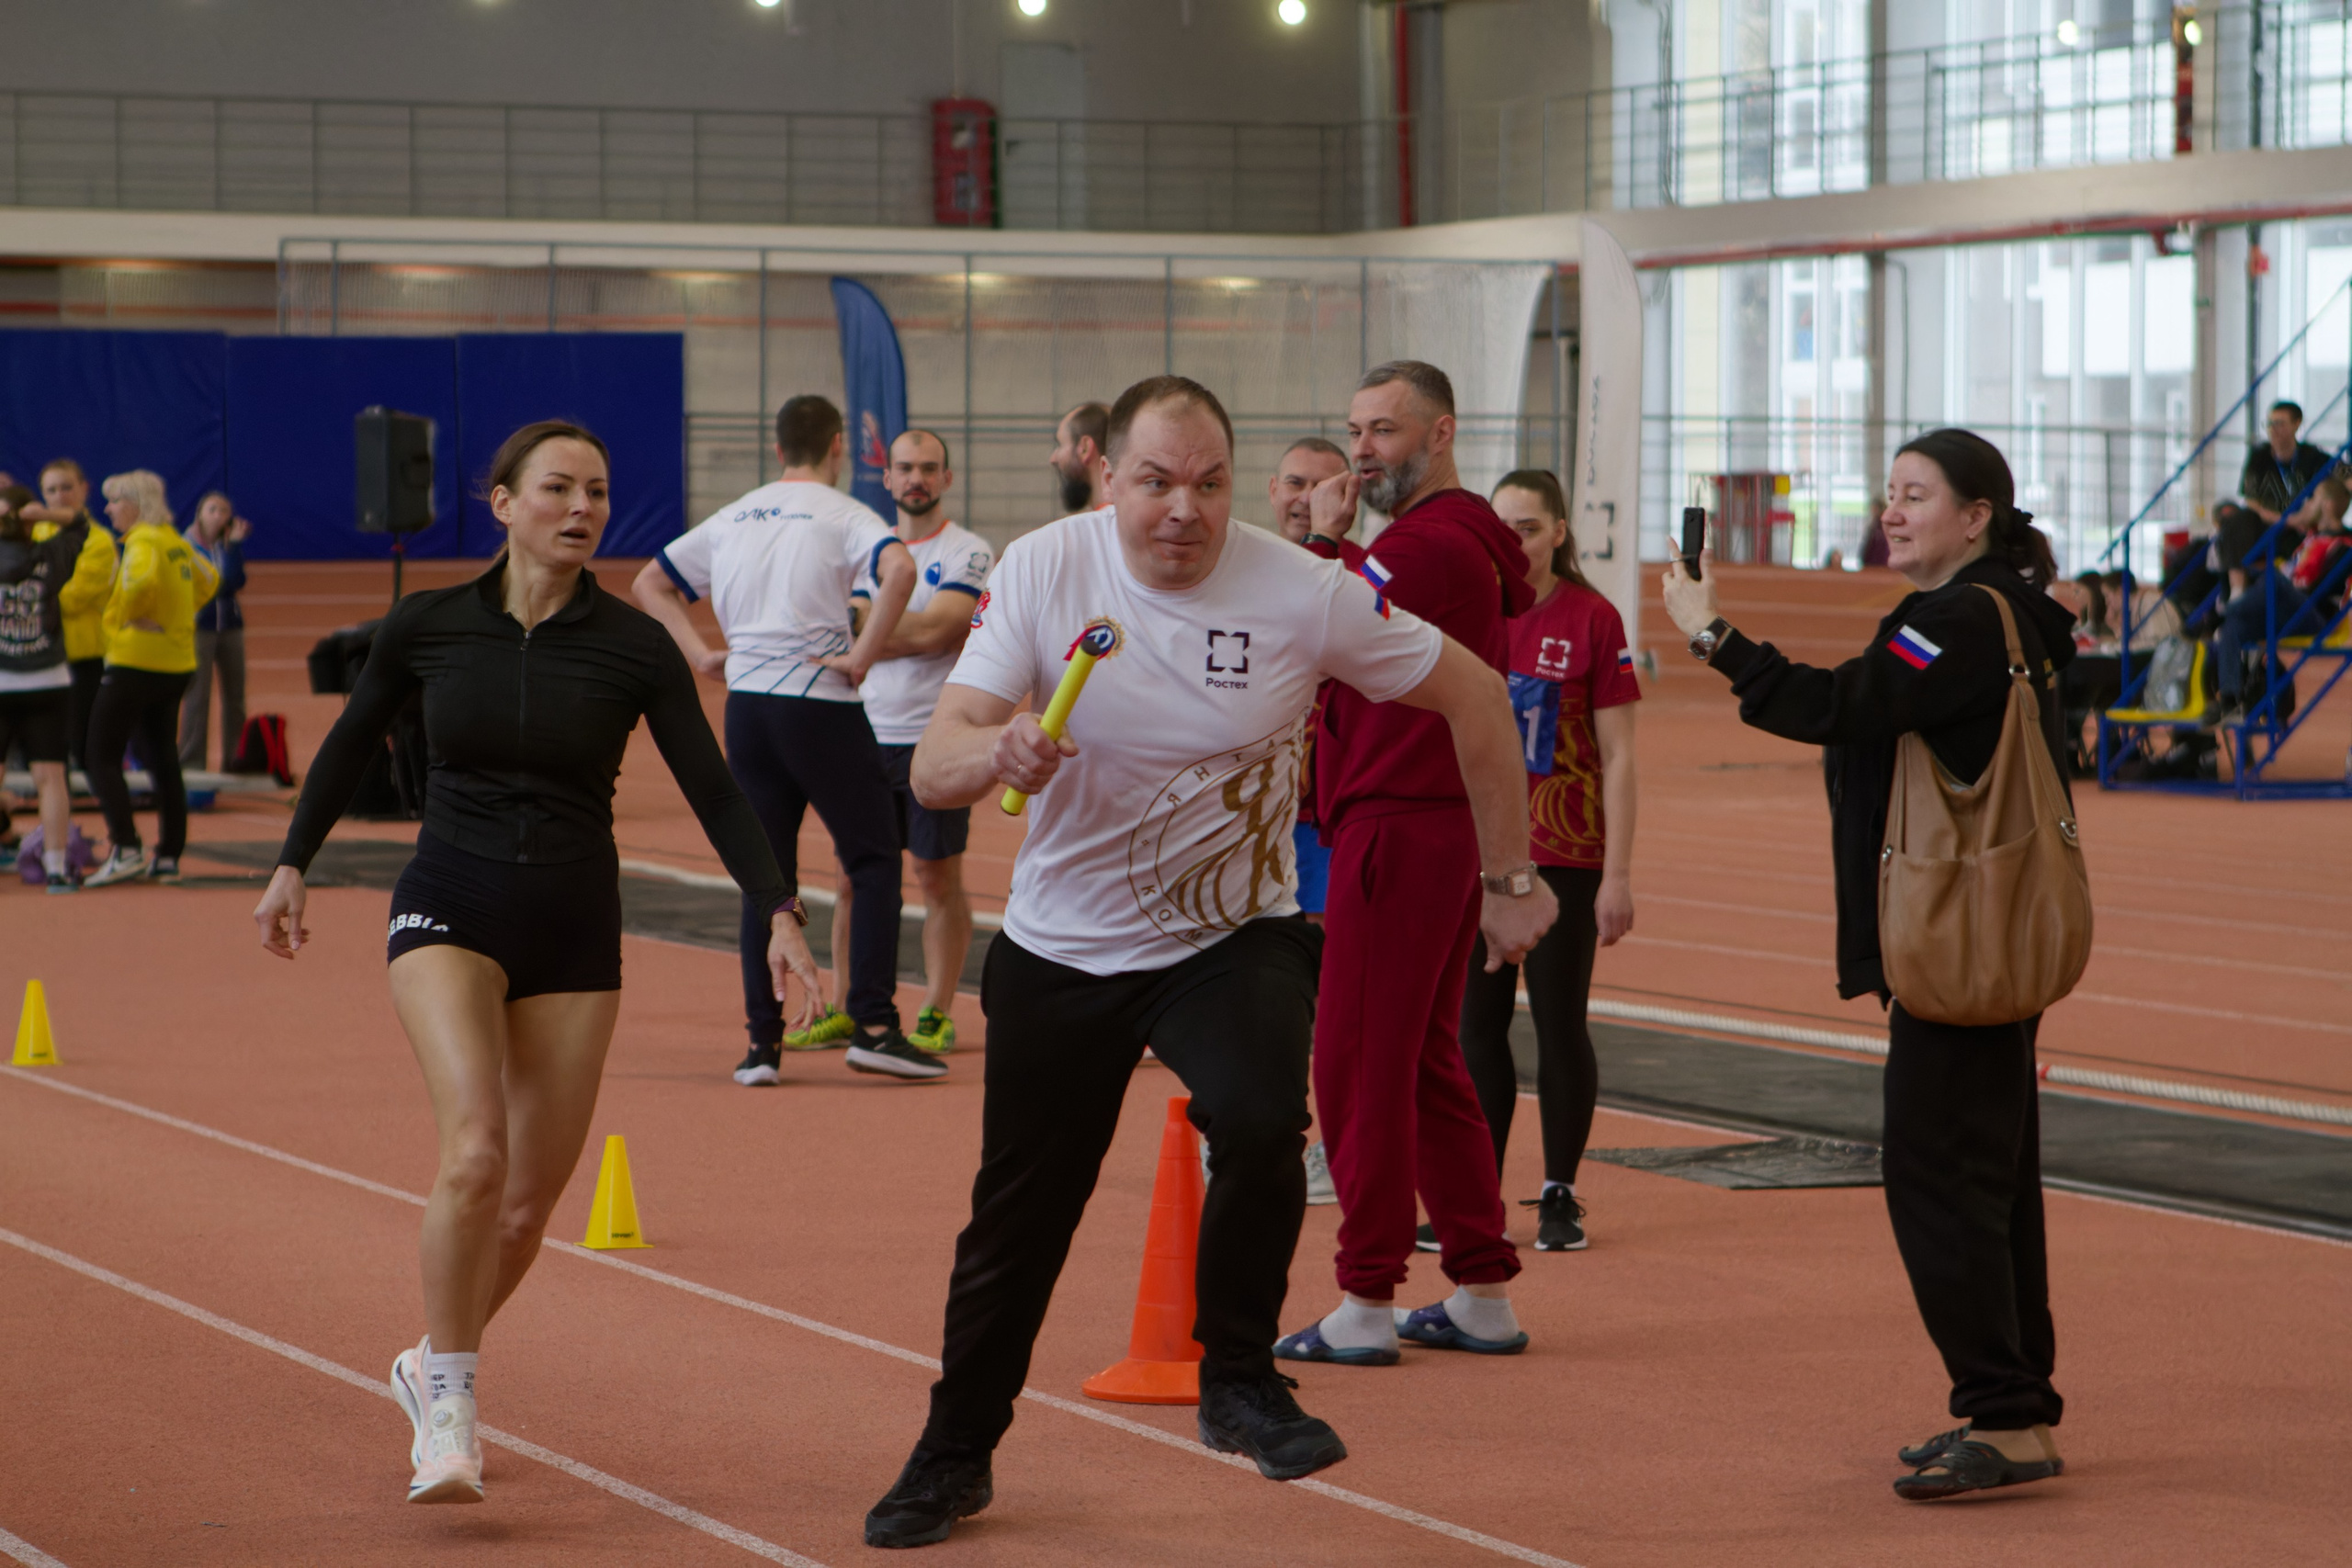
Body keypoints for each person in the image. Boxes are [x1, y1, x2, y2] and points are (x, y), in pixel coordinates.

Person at [861, 377, 1551, 1549]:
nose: (1183, 508)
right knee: (1019, 1217)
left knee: (1256, 1111)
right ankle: (953, 1452)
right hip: (1064, 944)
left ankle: (1238, 1381)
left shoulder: (1304, 589)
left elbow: (1479, 696)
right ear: (1104, 476)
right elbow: (933, 761)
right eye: (1155, 481)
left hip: (1232, 933)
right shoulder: (1041, 567)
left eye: (1210, 482)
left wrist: (1511, 880)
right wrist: (996, 749)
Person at [253, 421, 821, 1506]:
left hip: (572, 922)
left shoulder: (634, 646)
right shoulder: (424, 626)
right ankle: (454, 1411)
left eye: (598, 491)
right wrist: (292, 864)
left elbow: (713, 787)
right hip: (449, 902)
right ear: (502, 503)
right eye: (557, 488)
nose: (582, 508)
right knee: (474, 1153)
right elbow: (346, 745)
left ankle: (427, 1360)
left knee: (523, 1209)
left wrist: (778, 908)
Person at [1661, 427, 2075, 1503]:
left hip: (1958, 939)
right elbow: (1869, 704)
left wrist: (1712, 636)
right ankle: (2014, 1400)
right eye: (1888, 494)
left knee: (1937, 1179)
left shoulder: (1958, 623)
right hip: (1979, 930)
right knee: (1992, 1182)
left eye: (1916, 495)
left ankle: (2006, 1412)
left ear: (1976, 515)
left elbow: (1839, 706)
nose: (1892, 511)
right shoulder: (1985, 615)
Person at [1272, 361, 1554, 1370]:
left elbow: (1313, 625)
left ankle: (1363, 1295)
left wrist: (1324, 542)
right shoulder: (1451, 540)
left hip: (1398, 820)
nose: (1360, 451)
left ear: (1440, 435)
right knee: (1428, 1062)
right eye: (1354, 429)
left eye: (1383, 432)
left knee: (1353, 1061)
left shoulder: (1426, 549)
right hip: (1420, 819)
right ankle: (1479, 1288)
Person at [633, 396, 938, 1085]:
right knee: (873, 858)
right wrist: (863, 655)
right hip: (819, 702)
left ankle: (761, 1045)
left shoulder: (737, 513)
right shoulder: (845, 513)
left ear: (777, 450)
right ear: (836, 445)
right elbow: (902, 571)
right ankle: (876, 1024)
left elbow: (650, 581)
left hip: (748, 708)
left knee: (764, 876)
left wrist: (699, 653)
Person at [1455, 469, 1638, 1254]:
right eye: (1503, 529)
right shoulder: (1474, 614)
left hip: (1565, 853)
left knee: (1561, 1024)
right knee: (1474, 1029)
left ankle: (1559, 1191)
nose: (1515, 542)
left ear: (1560, 530)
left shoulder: (1593, 618)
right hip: (1480, 852)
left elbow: (1621, 754)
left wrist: (1619, 874)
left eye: (1528, 527)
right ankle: (1477, 1198)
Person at [831, 429, 993, 1055]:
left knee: (935, 876)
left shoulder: (968, 550)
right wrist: (900, 631)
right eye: (905, 468)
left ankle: (935, 1009)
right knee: (853, 877)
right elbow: (891, 625)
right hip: (864, 736)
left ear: (947, 478)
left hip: (934, 741)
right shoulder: (869, 547)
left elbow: (942, 631)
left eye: (929, 468)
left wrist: (868, 635)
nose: (916, 478)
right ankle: (848, 1002)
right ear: (887, 477)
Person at [82, 471, 216, 888]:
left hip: (133, 663)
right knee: (163, 759)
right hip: (176, 665)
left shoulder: (141, 543)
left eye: (114, 501)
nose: (107, 509)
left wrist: (119, 616)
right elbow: (210, 579)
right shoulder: (176, 542)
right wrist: (175, 617)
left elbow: (137, 584)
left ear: (135, 504)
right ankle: (169, 854)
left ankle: (126, 846)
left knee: (98, 756)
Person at [0, 484, 83, 892]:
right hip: (48, 679)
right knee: (51, 777)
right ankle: (55, 867)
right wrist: (44, 516)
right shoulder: (51, 556)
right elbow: (81, 524)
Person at [23, 458, 119, 778]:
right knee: (41, 751)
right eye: (51, 490)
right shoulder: (33, 534)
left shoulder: (99, 540)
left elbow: (75, 597)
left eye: (66, 487)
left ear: (84, 489)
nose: (60, 496)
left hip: (81, 658)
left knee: (82, 745)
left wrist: (27, 599)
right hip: (37, 657)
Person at [178, 491, 249, 770]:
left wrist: (234, 547)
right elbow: (219, 583)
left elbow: (237, 580)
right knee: (197, 698)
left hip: (231, 628)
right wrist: (232, 550)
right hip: (200, 629)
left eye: (224, 511)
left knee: (236, 697)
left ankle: (236, 760)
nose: (219, 515)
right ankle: (191, 762)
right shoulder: (186, 546)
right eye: (213, 509)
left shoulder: (227, 547)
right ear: (199, 513)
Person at [2236, 400, 2334, 525]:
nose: (2273, 429)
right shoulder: (2259, 456)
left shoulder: (2313, 455)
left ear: (2297, 424)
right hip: (2269, 525)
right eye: (2270, 423)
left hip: (2308, 523)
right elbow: (2251, 500)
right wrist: (2286, 521)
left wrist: (2305, 517)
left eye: (2280, 424)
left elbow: (2339, 480)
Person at [1046, 400, 1110, 515]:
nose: (1053, 459)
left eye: (1060, 444)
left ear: (1085, 448)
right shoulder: (1125, 520)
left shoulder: (1095, 529)